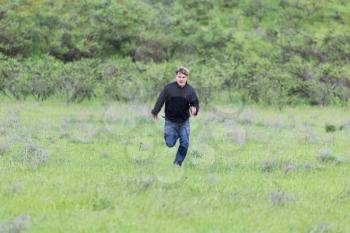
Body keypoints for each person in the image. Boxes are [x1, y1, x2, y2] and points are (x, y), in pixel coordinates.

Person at [151, 66, 199, 166]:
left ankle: (177, 163)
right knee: (169, 143)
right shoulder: (169, 88)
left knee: (185, 143)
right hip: (170, 121)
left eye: (183, 77)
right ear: (176, 76)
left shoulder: (190, 90)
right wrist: (155, 111)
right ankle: (176, 134)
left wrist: (195, 109)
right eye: (179, 76)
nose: (181, 79)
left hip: (184, 122)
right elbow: (160, 100)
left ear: (187, 78)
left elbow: (195, 102)